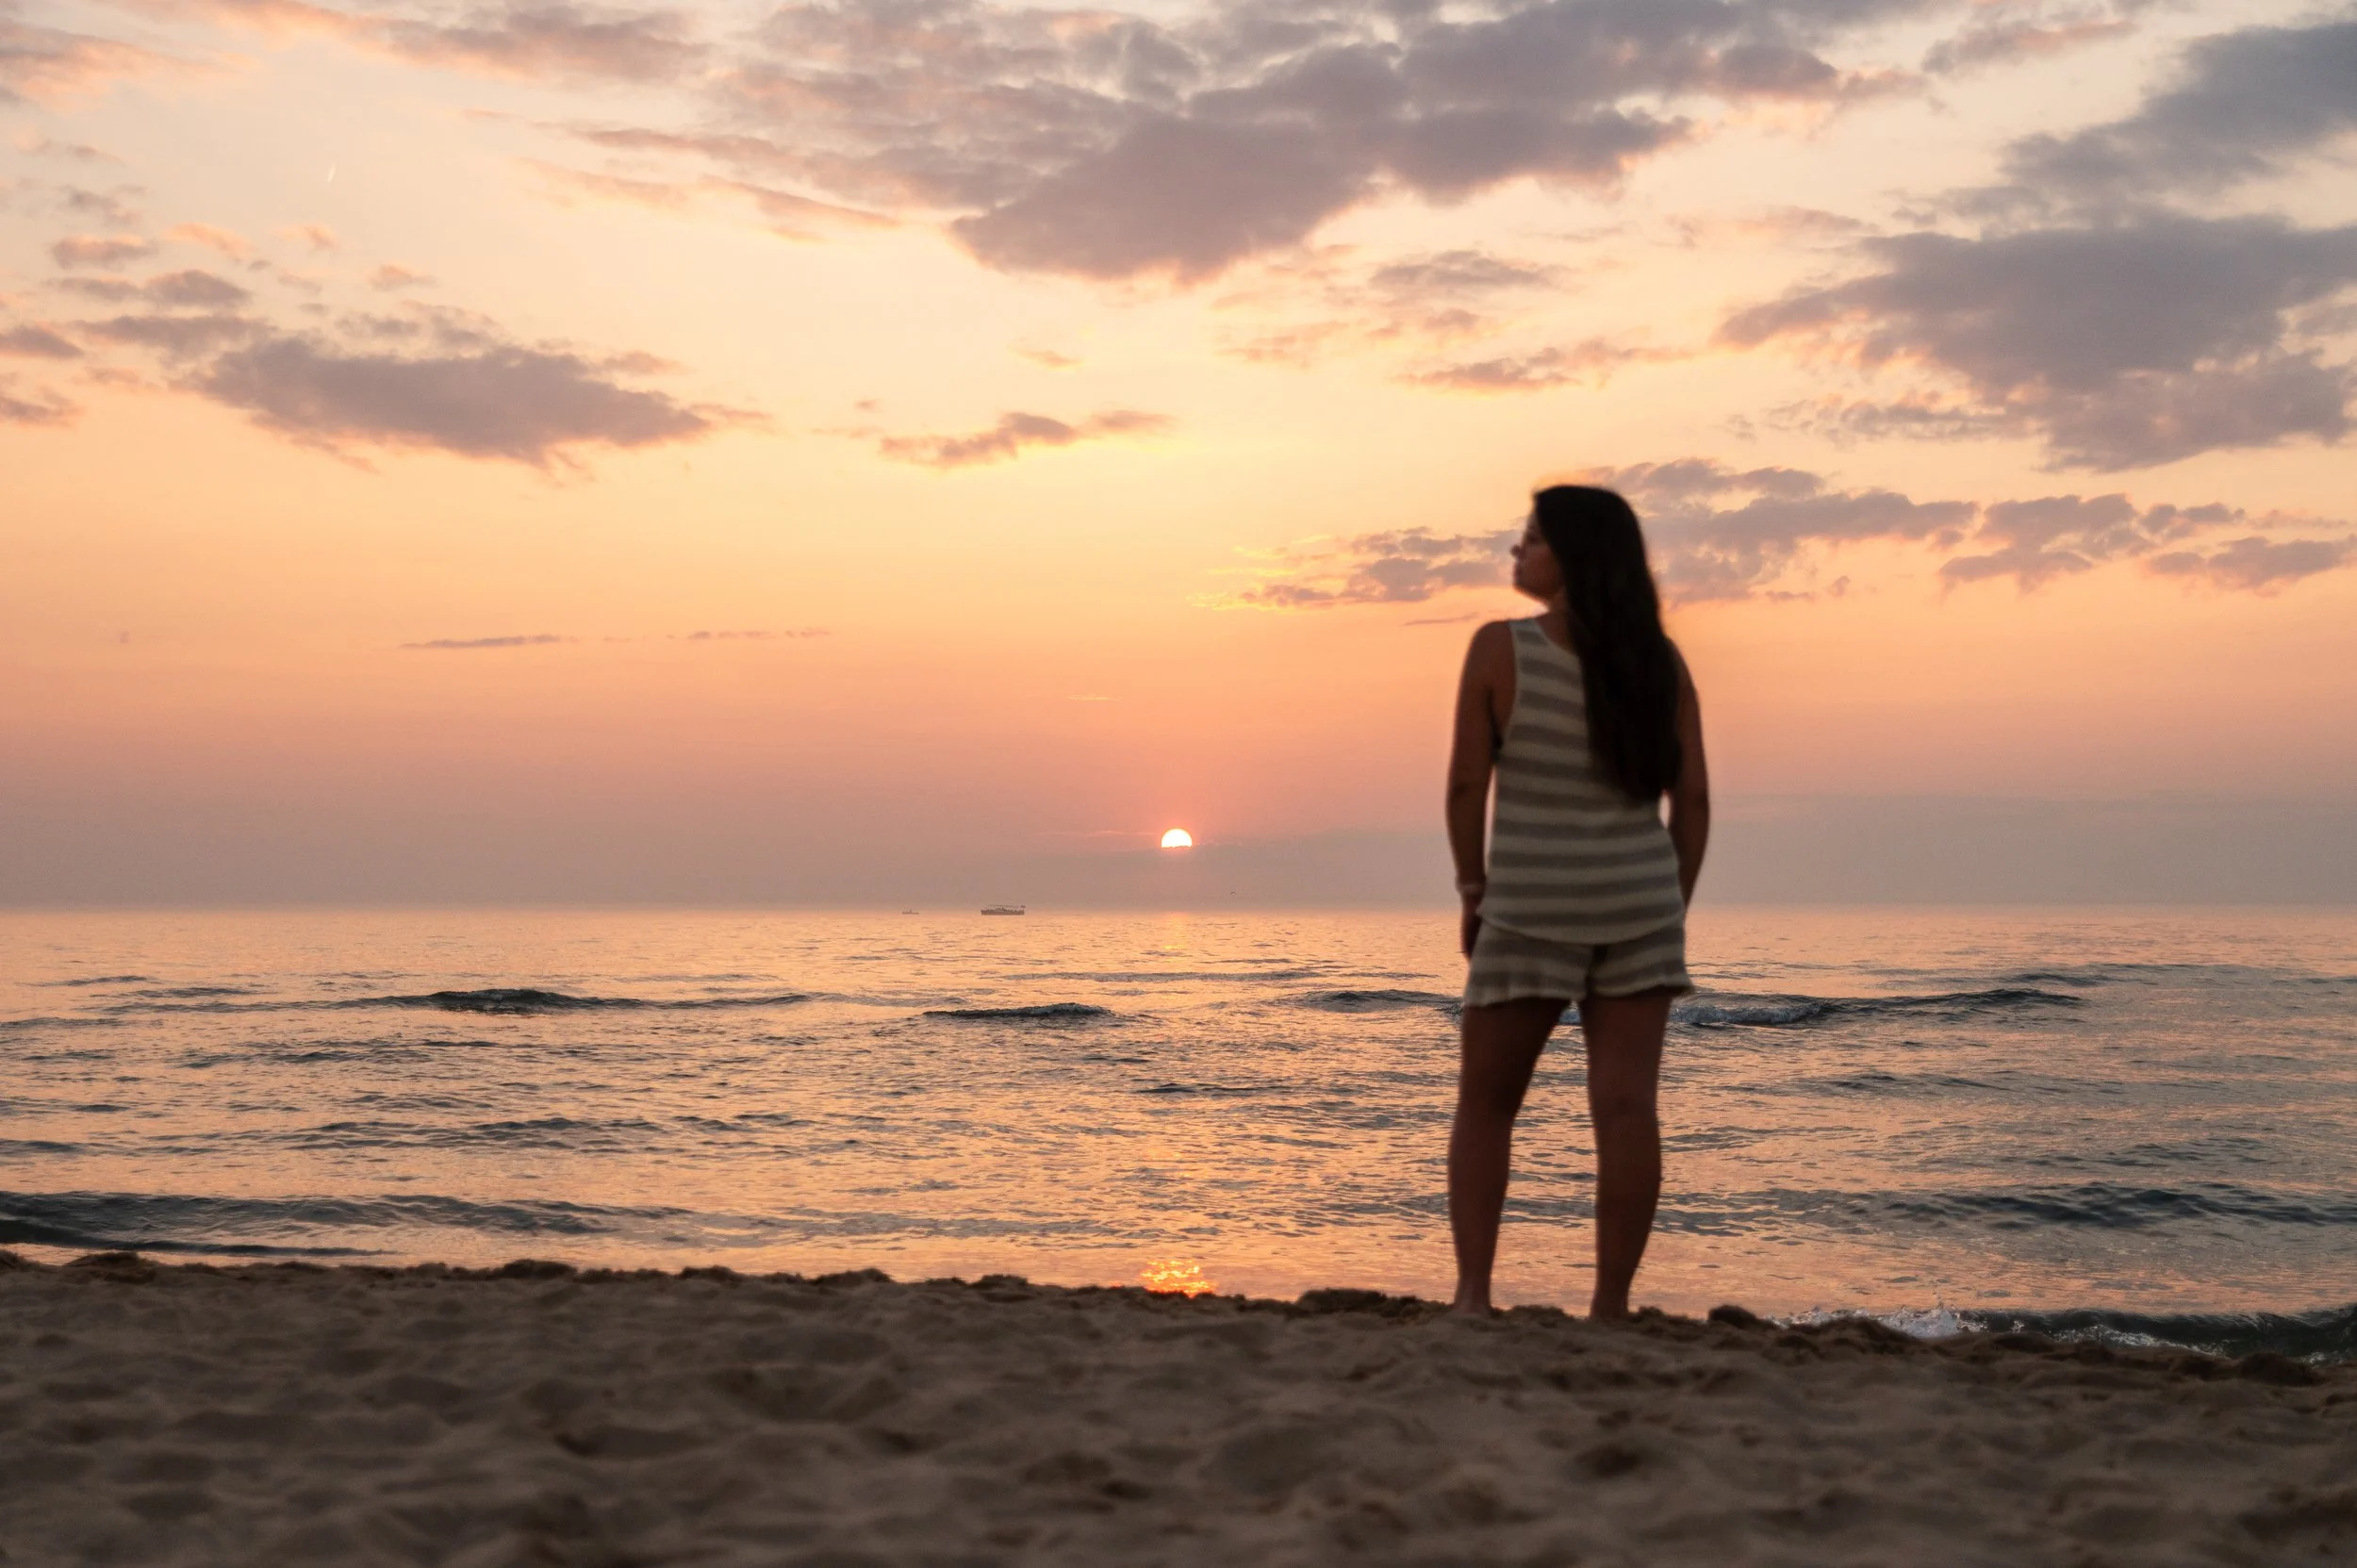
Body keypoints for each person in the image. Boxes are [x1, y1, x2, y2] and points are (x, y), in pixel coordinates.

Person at [1443, 485, 1709, 1320]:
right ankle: (1610, 1307)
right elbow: (1692, 802)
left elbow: (1464, 785)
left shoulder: (1502, 649)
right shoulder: (1659, 664)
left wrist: (1472, 887)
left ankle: (1475, 1296)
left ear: (1572, 557)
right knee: (1628, 1109)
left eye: (1529, 541)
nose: (1516, 555)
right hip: (1640, 907)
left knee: (1487, 1104)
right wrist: (1670, 903)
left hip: (1528, 905)